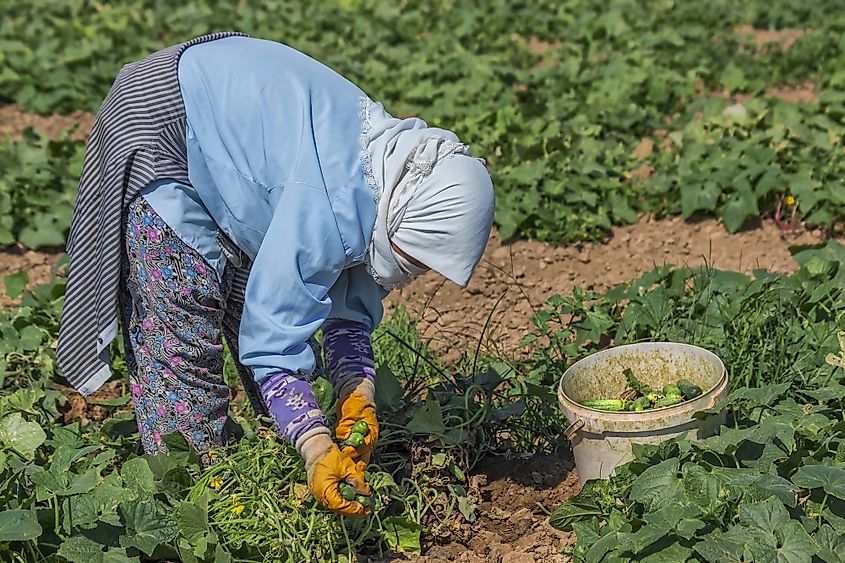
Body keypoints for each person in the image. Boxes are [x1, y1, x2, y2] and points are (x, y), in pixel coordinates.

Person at [57, 33, 495, 518]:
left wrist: (358, 392)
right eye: (410, 256)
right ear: (404, 213)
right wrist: (314, 448)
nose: (410, 274)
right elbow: (273, 338)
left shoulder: (386, 180)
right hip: (164, 120)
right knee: (183, 324)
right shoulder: (328, 202)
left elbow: (347, 296)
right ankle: (198, 500)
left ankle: (270, 443)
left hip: (223, 119)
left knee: (255, 299)